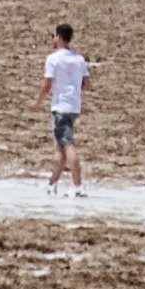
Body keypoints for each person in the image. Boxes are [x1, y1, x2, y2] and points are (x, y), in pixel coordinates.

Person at [40, 23, 90, 189]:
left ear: (59, 37)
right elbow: (86, 84)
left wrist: (37, 101)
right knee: (59, 148)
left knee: (67, 145)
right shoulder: (79, 58)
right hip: (74, 106)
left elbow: (47, 84)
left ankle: (78, 185)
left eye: (54, 36)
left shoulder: (53, 59)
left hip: (61, 107)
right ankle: (52, 184)